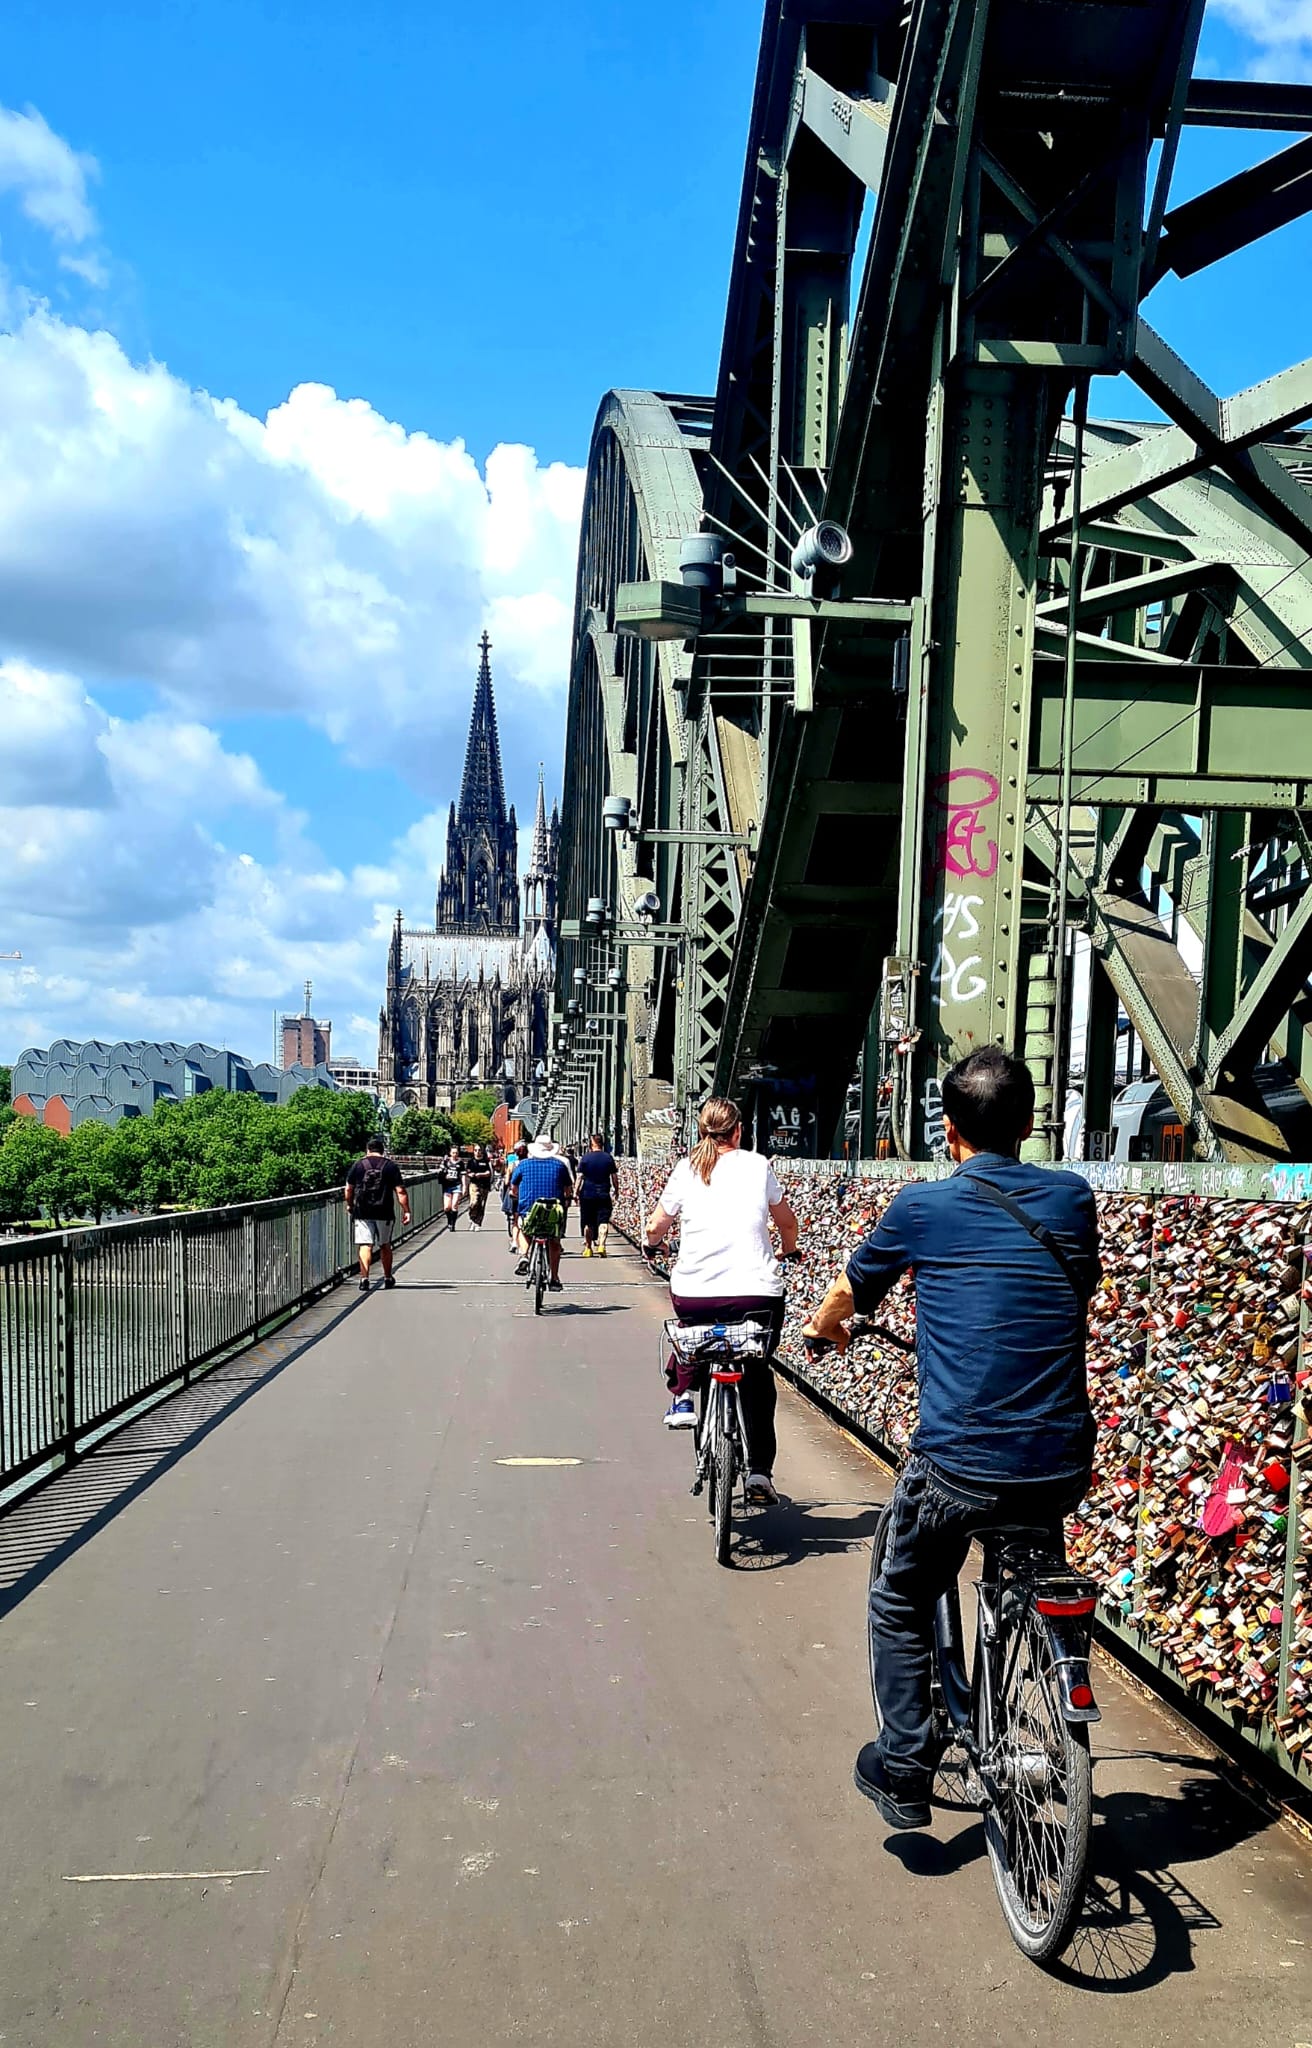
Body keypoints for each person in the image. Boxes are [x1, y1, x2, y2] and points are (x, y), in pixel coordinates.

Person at [801, 1046, 1100, 1833]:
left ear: (949, 1130)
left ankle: (906, 1766)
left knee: (900, 1594)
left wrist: (823, 1329)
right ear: (1029, 1125)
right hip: (1062, 1460)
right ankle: (1038, 1663)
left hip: (959, 1465)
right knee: (1028, 1537)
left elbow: (846, 1293)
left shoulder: (922, 1208)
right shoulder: (1073, 1199)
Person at [644, 1096, 799, 1507]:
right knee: (757, 1367)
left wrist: (651, 1244)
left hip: (695, 1294)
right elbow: (786, 1222)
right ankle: (760, 1472)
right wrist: (789, 1249)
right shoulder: (758, 1165)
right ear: (739, 1130)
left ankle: (683, 1395)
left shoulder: (686, 1168)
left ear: (701, 1131)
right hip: (755, 1293)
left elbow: (657, 1225)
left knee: (693, 1335)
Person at [344, 1136, 411, 1293]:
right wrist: (406, 1210)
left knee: (365, 1245)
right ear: (382, 1151)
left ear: (367, 1150)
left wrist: (350, 1204)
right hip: (384, 1211)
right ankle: (387, 1277)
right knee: (385, 1245)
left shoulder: (358, 1165)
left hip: (362, 1211)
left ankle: (364, 1279)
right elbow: (400, 1191)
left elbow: (348, 1188)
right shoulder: (390, 1166)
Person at [510, 1134, 574, 1291]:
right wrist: (567, 1199)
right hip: (553, 1211)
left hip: (529, 1209)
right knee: (554, 1241)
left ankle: (524, 1255)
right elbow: (568, 1189)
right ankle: (554, 1278)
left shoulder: (523, 1165)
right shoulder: (559, 1165)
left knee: (524, 1230)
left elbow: (514, 1188)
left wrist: (516, 1195)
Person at [575, 1132, 619, 1257]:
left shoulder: (585, 1158)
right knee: (603, 1221)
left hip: (587, 1194)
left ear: (591, 1144)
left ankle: (588, 1248)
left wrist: (575, 1192)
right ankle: (601, 1245)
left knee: (588, 1222)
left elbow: (579, 1177)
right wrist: (616, 1190)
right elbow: (614, 1177)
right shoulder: (608, 1158)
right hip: (603, 1193)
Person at [503, 1139, 528, 1249]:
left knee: (515, 1219)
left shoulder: (512, 1164)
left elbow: (506, 1182)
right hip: (527, 1194)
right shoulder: (530, 1163)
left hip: (515, 1194)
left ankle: (514, 1242)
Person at [465, 1145, 494, 1230]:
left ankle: (477, 1223)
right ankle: (472, 1218)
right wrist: (470, 1174)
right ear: (473, 1151)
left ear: (482, 1151)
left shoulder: (485, 1161)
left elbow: (489, 1173)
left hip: (484, 1185)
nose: (477, 1152)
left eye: (479, 1150)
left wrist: (481, 1175)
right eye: (476, 1150)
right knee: (474, 1202)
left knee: (482, 1204)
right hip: (474, 1184)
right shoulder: (471, 1162)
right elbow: (467, 1172)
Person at [438, 1146, 463, 1231]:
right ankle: (449, 1221)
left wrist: (464, 1186)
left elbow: (463, 1175)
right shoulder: (445, 1162)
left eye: (456, 1153)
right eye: (453, 1153)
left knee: (454, 1205)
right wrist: (445, 1176)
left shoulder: (460, 1163)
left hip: (457, 1185)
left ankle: (453, 1224)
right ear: (450, 1153)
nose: (455, 1154)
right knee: (447, 1207)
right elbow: (440, 1173)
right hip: (447, 1185)